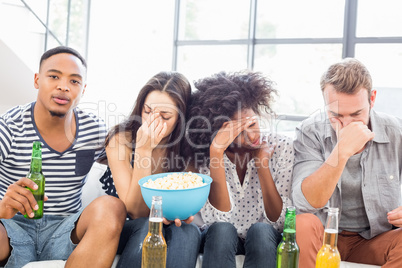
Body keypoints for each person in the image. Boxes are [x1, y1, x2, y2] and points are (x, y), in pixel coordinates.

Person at [0, 46, 127, 268]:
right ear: (37, 80)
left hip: (65, 231)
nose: (63, 86)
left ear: (83, 89)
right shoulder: (9, 127)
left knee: (112, 207)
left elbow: (126, 168)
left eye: (74, 81)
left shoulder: (94, 131)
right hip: (11, 228)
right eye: (54, 76)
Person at [292, 58, 402, 267]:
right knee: (302, 223)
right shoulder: (309, 132)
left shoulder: (396, 131)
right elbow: (305, 203)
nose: (347, 124)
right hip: (323, 237)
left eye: (356, 114)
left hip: (374, 239)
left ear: (372, 99)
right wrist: (341, 151)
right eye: (336, 115)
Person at [183, 71, 295, 268]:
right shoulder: (206, 154)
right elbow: (216, 219)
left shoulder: (281, 147)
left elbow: (279, 222)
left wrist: (262, 166)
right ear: (219, 133)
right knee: (222, 230)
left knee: (261, 231)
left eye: (253, 124)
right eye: (239, 131)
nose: (253, 135)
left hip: (265, 239)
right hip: (220, 238)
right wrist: (216, 152)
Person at [103, 71, 201, 267]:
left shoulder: (188, 146)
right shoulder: (120, 140)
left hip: (170, 223)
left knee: (188, 232)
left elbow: (185, 199)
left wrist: (182, 210)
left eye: (165, 116)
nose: (152, 122)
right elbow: (136, 211)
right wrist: (143, 150)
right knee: (146, 226)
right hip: (129, 224)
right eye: (147, 111)